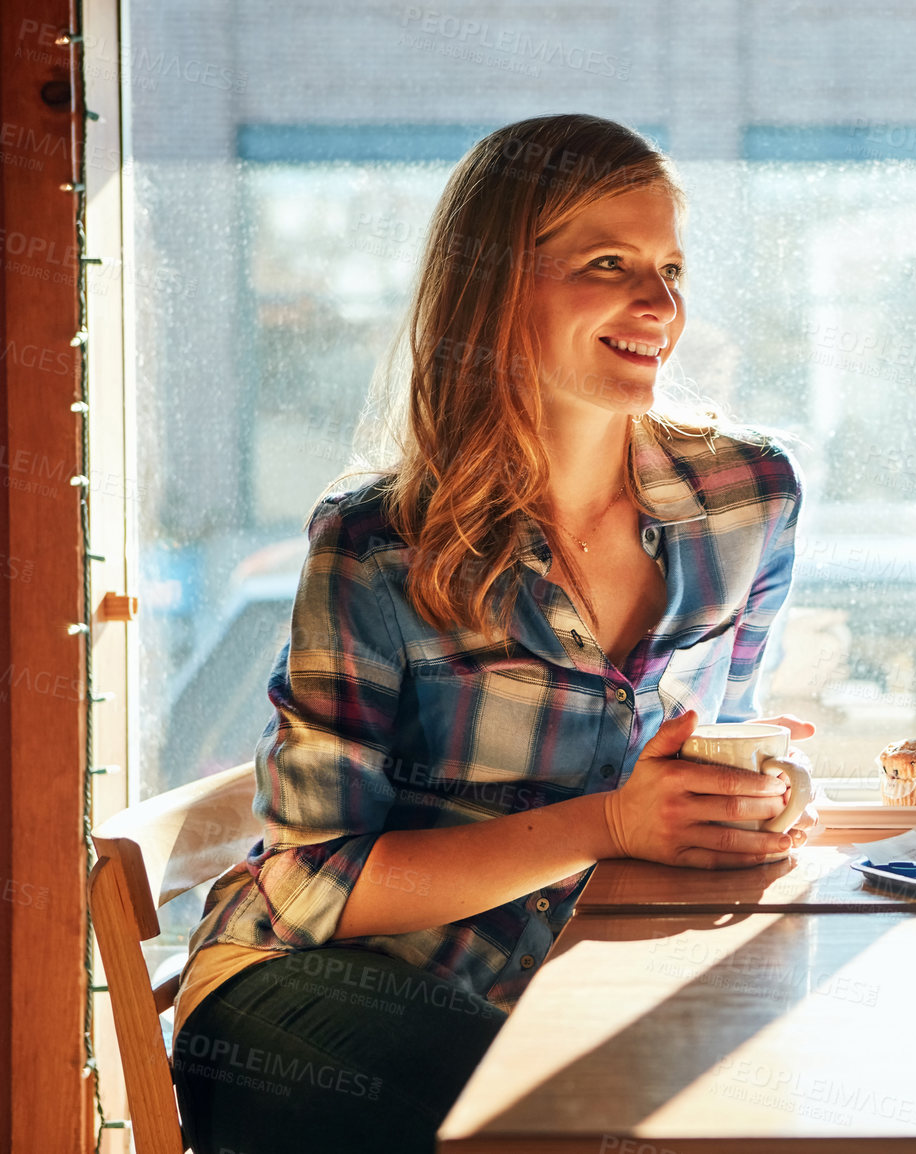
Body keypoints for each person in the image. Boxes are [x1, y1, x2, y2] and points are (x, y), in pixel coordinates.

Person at [169, 113, 817, 1154]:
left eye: (669, 265)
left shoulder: (748, 498)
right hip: (312, 988)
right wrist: (607, 822)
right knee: (583, 1127)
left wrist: (754, 798)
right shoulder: (377, 544)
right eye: (609, 263)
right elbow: (310, 876)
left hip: (559, 982)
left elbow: (708, 751)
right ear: (498, 285)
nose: (659, 304)